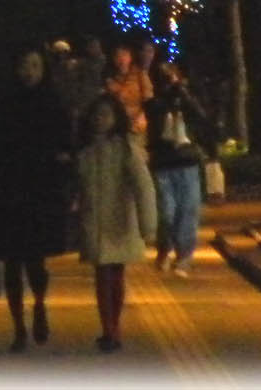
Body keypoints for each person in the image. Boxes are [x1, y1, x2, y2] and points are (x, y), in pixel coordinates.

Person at [0, 46, 74, 353]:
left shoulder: (53, 103)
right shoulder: (2, 104)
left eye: (34, 65)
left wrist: (63, 172)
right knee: (11, 261)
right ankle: (18, 326)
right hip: (6, 192)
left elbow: (67, 145)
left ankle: (40, 304)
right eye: (24, 65)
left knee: (36, 260)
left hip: (40, 192)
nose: (29, 72)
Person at [73, 93, 156, 353]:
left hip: (120, 220)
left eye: (106, 115)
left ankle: (113, 326)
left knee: (116, 275)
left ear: (116, 118)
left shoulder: (126, 148)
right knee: (102, 275)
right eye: (97, 115)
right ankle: (109, 329)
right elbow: (76, 184)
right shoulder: (85, 150)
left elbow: (143, 186)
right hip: (94, 220)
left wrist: (148, 224)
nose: (100, 120)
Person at [143, 61, 215, 276]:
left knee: (188, 211)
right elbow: (153, 116)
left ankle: (184, 256)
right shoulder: (155, 104)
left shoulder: (188, 100)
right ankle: (165, 248)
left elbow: (201, 118)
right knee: (167, 212)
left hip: (188, 161)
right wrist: (168, 95)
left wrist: (182, 93)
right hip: (163, 164)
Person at [103, 42, 154, 143]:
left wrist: (140, 116)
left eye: (124, 55)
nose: (121, 59)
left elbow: (148, 99)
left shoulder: (140, 74)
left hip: (138, 125)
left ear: (130, 57)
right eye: (117, 56)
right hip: (117, 126)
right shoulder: (110, 80)